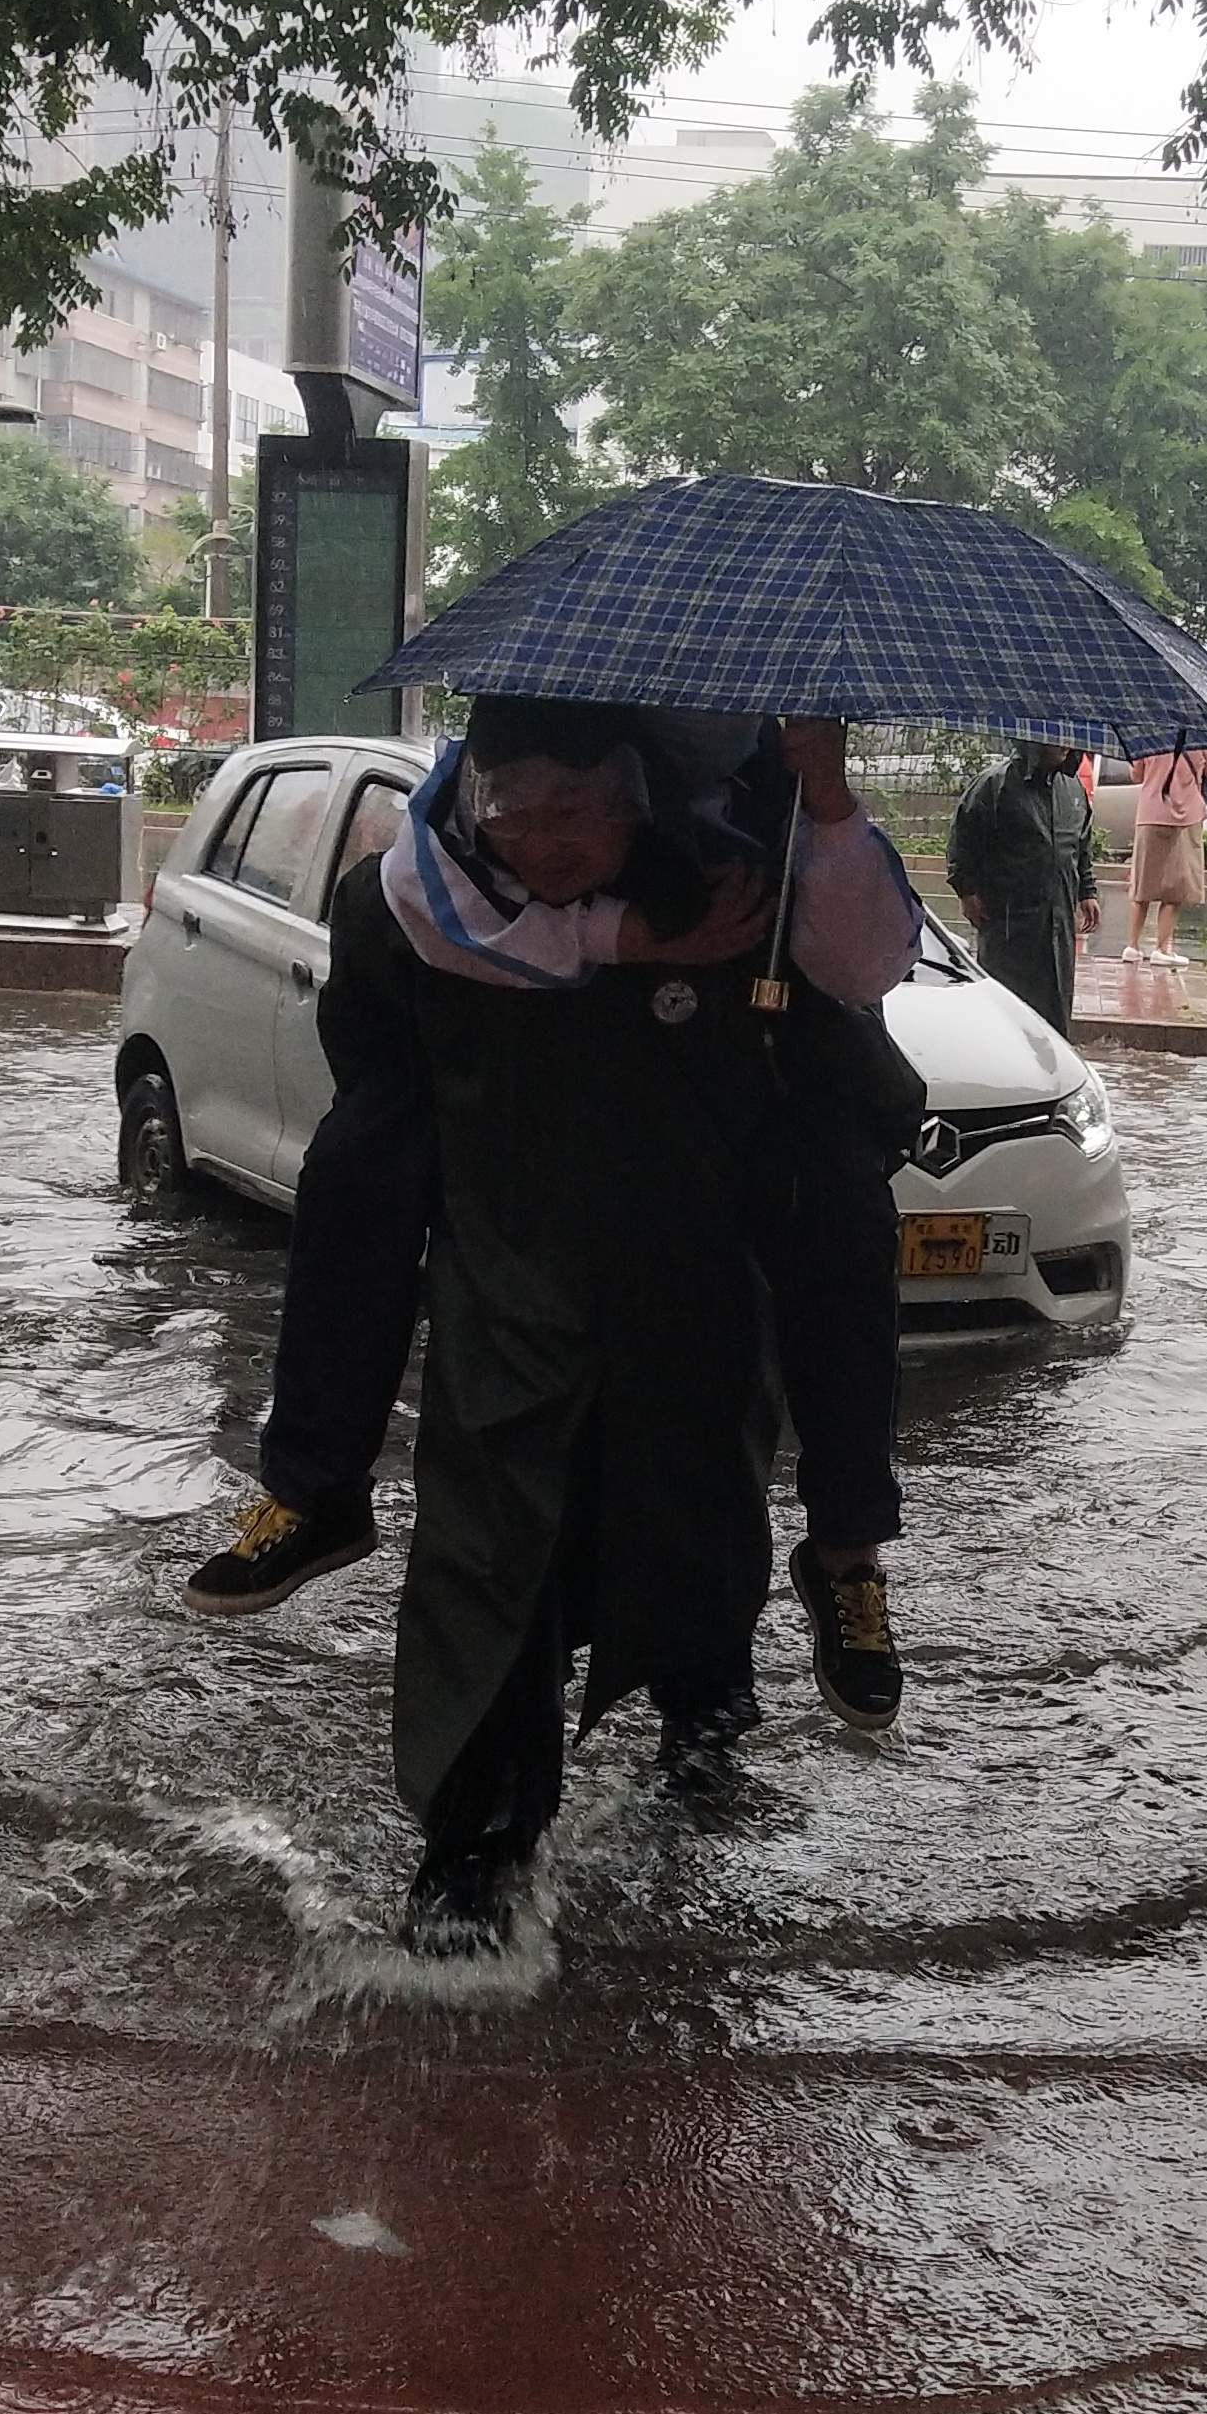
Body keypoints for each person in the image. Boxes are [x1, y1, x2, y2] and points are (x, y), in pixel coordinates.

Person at [186, 700, 925, 1785]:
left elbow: (867, 969)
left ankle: (837, 1563)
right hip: (510, 1298)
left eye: (581, 811)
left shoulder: (752, 855)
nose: (547, 840)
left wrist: (824, 796)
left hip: (698, 1301)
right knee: (492, 1576)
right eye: (520, 812)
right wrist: (623, 941)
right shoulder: (427, 871)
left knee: (840, 1234)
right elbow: (405, 966)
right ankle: (322, 1498)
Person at [947, 739, 1099, 1033]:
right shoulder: (995, 785)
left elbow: (1080, 845)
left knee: (1054, 1007)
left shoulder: (1071, 789)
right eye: (1054, 737)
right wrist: (967, 891)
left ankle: (1053, 1055)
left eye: (1068, 737)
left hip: (1059, 922)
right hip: (1009, 921)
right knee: (1006, 1008)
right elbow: (964, 839)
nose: (1064, 745)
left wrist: (1086, 891)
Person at [1122, 741, 1207, 970]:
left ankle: (1132, 946)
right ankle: (1162, 949)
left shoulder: (1150, 737)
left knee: (1142, 884)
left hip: (1149, 814)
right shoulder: (1200, 740)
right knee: (1175, 887)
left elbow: (1136, 775)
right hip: (1185, 818)